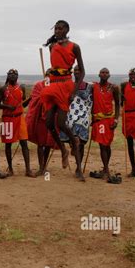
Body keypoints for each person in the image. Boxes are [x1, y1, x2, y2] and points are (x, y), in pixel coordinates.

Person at [40, 20, 85, 170]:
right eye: (56, 29)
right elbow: (54, 67)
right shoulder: (52, 46)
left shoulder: (75, 47)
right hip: (53, 84)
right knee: (48, 123)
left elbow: (82, 71)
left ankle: (74, 142)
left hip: (66, 85)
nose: (57, 31)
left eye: (60, 29)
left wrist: (74, 91)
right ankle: (64, 150)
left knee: (60, 123)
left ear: (67, 29)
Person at [0, 69, 34, 177]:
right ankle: (11, 169)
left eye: (15, 74)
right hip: (8, 118)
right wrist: (7, 107)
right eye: (11, 74)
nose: (13, 76)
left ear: (17, 77)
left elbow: (23, 105)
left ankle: (28, 169)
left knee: (24, 143)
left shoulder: (21, 88)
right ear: (8, 76)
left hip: (20, 118)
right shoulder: (3, 89)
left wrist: (30, 99)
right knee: (8, 144)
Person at [60, 65, 94, 181]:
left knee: (80, 143)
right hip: (70, 115)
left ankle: (79, 169)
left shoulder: (89, 86)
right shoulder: (68, 85)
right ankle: (78, 166)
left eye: (79, 70)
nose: (77, 72)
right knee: (74, 141)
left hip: (84, 116)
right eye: (75, 70)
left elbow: (94, 100)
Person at [89, 68, 121, 184]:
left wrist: (116, 120)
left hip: (109, 119)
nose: (104, 74)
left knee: (107, 145)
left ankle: (105, 168)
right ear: (99, 74)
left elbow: (118, 104)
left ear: (109, 75)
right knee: (102, 145)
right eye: (103, 72)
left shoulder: (114, 88)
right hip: (99, 120)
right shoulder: (93, 87)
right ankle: (106, 170)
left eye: (107, 72)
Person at [26, 70, 59, 176]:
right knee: (41, 144)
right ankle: (41, 168)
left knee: (48, 143)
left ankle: (44, 166)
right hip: (41, 119)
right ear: (45, 76)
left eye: (52, 75)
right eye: (48, 75)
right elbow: (34, 100)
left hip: (51, 119)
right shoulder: (38, 86)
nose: (50, 77)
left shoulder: (56, 87)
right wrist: (44, 96)